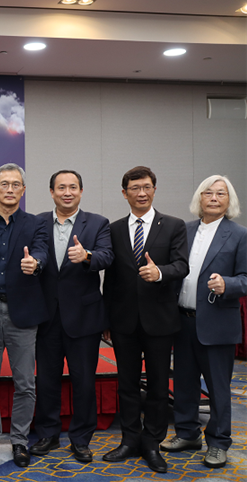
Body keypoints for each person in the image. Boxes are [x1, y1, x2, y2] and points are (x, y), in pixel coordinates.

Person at [102, 166, 188, 474]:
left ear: (154, 189)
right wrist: (106, 319)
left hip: (159, 321)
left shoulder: (174, 225)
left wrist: (160, 272)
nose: (141, 193)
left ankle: (152, 443)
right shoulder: (113, 229)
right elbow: (110, 279)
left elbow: (182, 265)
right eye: (135, 188)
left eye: (147, 187)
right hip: (123, 322)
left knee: (158, 386)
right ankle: (129, 440)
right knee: (126, 385)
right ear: (124, 193)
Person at [160, 175, 247, 469]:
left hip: (217, 324)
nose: (213, 198)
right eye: (208, 193)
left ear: (229, 201)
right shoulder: (183, 230)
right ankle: (187, 434)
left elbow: (246, 278)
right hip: (182, 321)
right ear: (199, 198)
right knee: (184, 383)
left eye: (220, 193)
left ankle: (219, 443)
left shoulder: (239, 234)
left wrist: (228, 285)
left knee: (218, 388)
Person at [0, 162, 49, 468]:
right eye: (4, 184)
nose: (10, 189)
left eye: (16, 184)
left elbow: (41, 251)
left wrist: (36, 263)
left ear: (23, 190)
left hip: (23, 311)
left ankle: (19, 440)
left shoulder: (36, 224)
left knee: (25, 383)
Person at [32, 170, 114, 462]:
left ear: (81, 191)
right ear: (51, 192)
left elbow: (107, 256)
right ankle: (47, 434)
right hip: (46, 316)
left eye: (73, 187)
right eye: (61, 187)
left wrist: (88, 256)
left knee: (84, 381)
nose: (67, 192)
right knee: (46, 380)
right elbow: (35, 256)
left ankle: (81, 438)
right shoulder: (38, 222)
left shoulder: (98, 223)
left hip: (84, 317)